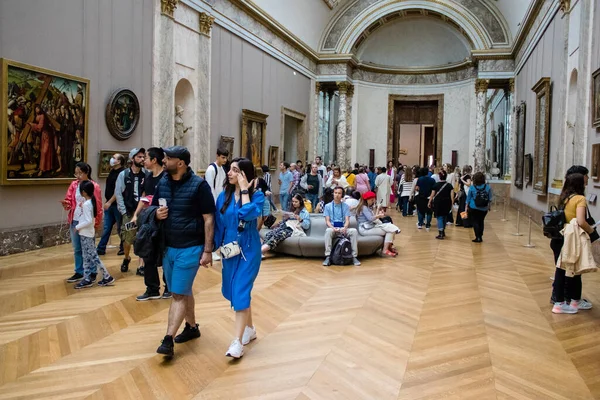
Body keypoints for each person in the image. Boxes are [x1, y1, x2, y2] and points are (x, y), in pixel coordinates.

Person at [154, 146, 215, 358]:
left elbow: (209, 218)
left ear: (180, 163)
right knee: (181, 289)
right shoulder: (163, 182)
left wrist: (207, 250)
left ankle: (168, 339)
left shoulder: (199, 186)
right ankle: (191, 327)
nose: (164, 160)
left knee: (178, 294)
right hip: (168, 246)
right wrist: (156, 214)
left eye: (168, 158)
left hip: (190, 247)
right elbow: (154, 207)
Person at [214, 158, 265, 359]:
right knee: (233, 289)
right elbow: (220, 223)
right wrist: (213, 248)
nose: (230, 173)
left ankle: (236, 342)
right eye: (230, 169)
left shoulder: (257, 196)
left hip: (249, 250)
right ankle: (250, 329)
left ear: (245, 174)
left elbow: (247, 215)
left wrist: (244, 190)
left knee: (241, 289)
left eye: (235, 170)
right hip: (229, 249)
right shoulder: (223, 196)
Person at [550, 166, 596, 313]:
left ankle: (565, 300)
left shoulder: (564, 197)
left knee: (562, 269)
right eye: (585, 177)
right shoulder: (580, 199)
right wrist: (592, 230)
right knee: (573, 270)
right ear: (580, 182)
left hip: (561, 236)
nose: (587, 179)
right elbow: (581, 221)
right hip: (572, 238)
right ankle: (566, 301)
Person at [134, 147, 171, 301]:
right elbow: (144, 198)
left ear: (154, 160)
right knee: (147, 253)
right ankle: (152, 288)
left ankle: (169, 286)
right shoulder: (148, 178)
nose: (144, 160)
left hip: (165, 222)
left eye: (146, 157)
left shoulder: (167, 178)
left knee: (166, 255)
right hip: (150, 221)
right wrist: (136, 215)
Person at [62, 162, 103, 283]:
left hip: (87, 221)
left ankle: (92, 271)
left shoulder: (93, 186)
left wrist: (97, 223)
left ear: (86, 173)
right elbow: (69, 199)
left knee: (89, 248)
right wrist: (66, 204)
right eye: (76, 173)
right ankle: (79, 271)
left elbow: (98, 206)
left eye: (80, 173)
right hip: (75, 220)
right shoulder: (74, 185)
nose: (78, 176)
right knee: (77, 248)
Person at [74, 181, 115, 289]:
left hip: (87, 234)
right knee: (86, 256)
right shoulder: (89, 202)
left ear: (83, 192)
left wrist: (77, 227)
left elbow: (88, 220)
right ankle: (87, 278)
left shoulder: (88, 204)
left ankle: (107, 276)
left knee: (93, 257)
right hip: (86, 233)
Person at [115, 148, 146, 273]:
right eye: (139, 157)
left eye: (143, 157)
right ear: (132, 159)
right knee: (128, 239)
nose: (142, 159)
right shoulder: (124, 175)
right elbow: (118, 193)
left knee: (142, 238)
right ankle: (126, 258)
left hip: (142, 212)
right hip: (128, 212)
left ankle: (141, 266)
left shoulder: (146, 174)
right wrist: (123, 211)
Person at [322, 186, 361, 266]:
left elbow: (347, 220)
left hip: (343, 228)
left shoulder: (345, 206)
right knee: (328, 231)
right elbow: (327, 221)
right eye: (335, 193)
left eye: (339, 193)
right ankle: (328, 256)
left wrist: (345, 227)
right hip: (333, 228)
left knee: (353, 231)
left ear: (342, 195)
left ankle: (354, 257)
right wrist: (332, 228)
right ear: (333, 194)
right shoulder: (327, 206)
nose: (337, 195)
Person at [97, 153, 125, 256]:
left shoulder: (122, 173)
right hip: (109, 204)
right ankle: (101, 248)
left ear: (119, 161)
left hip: (117, 205)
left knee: (120, 228)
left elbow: (119, 190)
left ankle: (123, 247)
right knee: (106, 227)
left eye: (114, 158)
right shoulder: (112, 171)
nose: (111, 159)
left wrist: (109, 202)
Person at [356, 191, 400, 257]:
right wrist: (379, 215)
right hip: (365, 229)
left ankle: (387, 248)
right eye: (372, 200)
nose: (373, 202)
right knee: (390, 231)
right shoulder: (364, 208)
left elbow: (373, 218)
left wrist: (378, 211)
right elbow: (371, 218)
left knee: (390, 229)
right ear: (367, 200)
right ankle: (386, 249)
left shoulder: (366, 207)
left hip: (368, 227)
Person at [205, 148, 229, 261]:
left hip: (221, 203)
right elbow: (210, 188)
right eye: (223, 157)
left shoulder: (222, 169)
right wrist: (214, 205)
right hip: (214, 204)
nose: (225, 160)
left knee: (220, 227)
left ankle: (218, 248)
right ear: (217, 156)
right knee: (213, 227)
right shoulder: (211, 169)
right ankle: (212, 249)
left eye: (226, 157)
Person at [466, 172, 492, 243]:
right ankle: (480, 235)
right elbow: (490, 199)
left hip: (473, 207)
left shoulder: (472, 187)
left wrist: (466, 208)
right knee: (481, 221)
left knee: (475, 222)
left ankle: (478, 237)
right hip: (484, 208)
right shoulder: (488, 187)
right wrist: (489, 207)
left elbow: (468, 199)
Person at [428, 170, 454, 240]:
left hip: (438, 203)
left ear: (439, 177)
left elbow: (432, 195)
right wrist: (452, 204)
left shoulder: (435, 185)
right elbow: (452, 197)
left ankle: (441, 232)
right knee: (445, 216)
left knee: (439, 217)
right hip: (447, 202)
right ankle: (443, 230)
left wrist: (429, 202)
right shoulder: (449, 186)